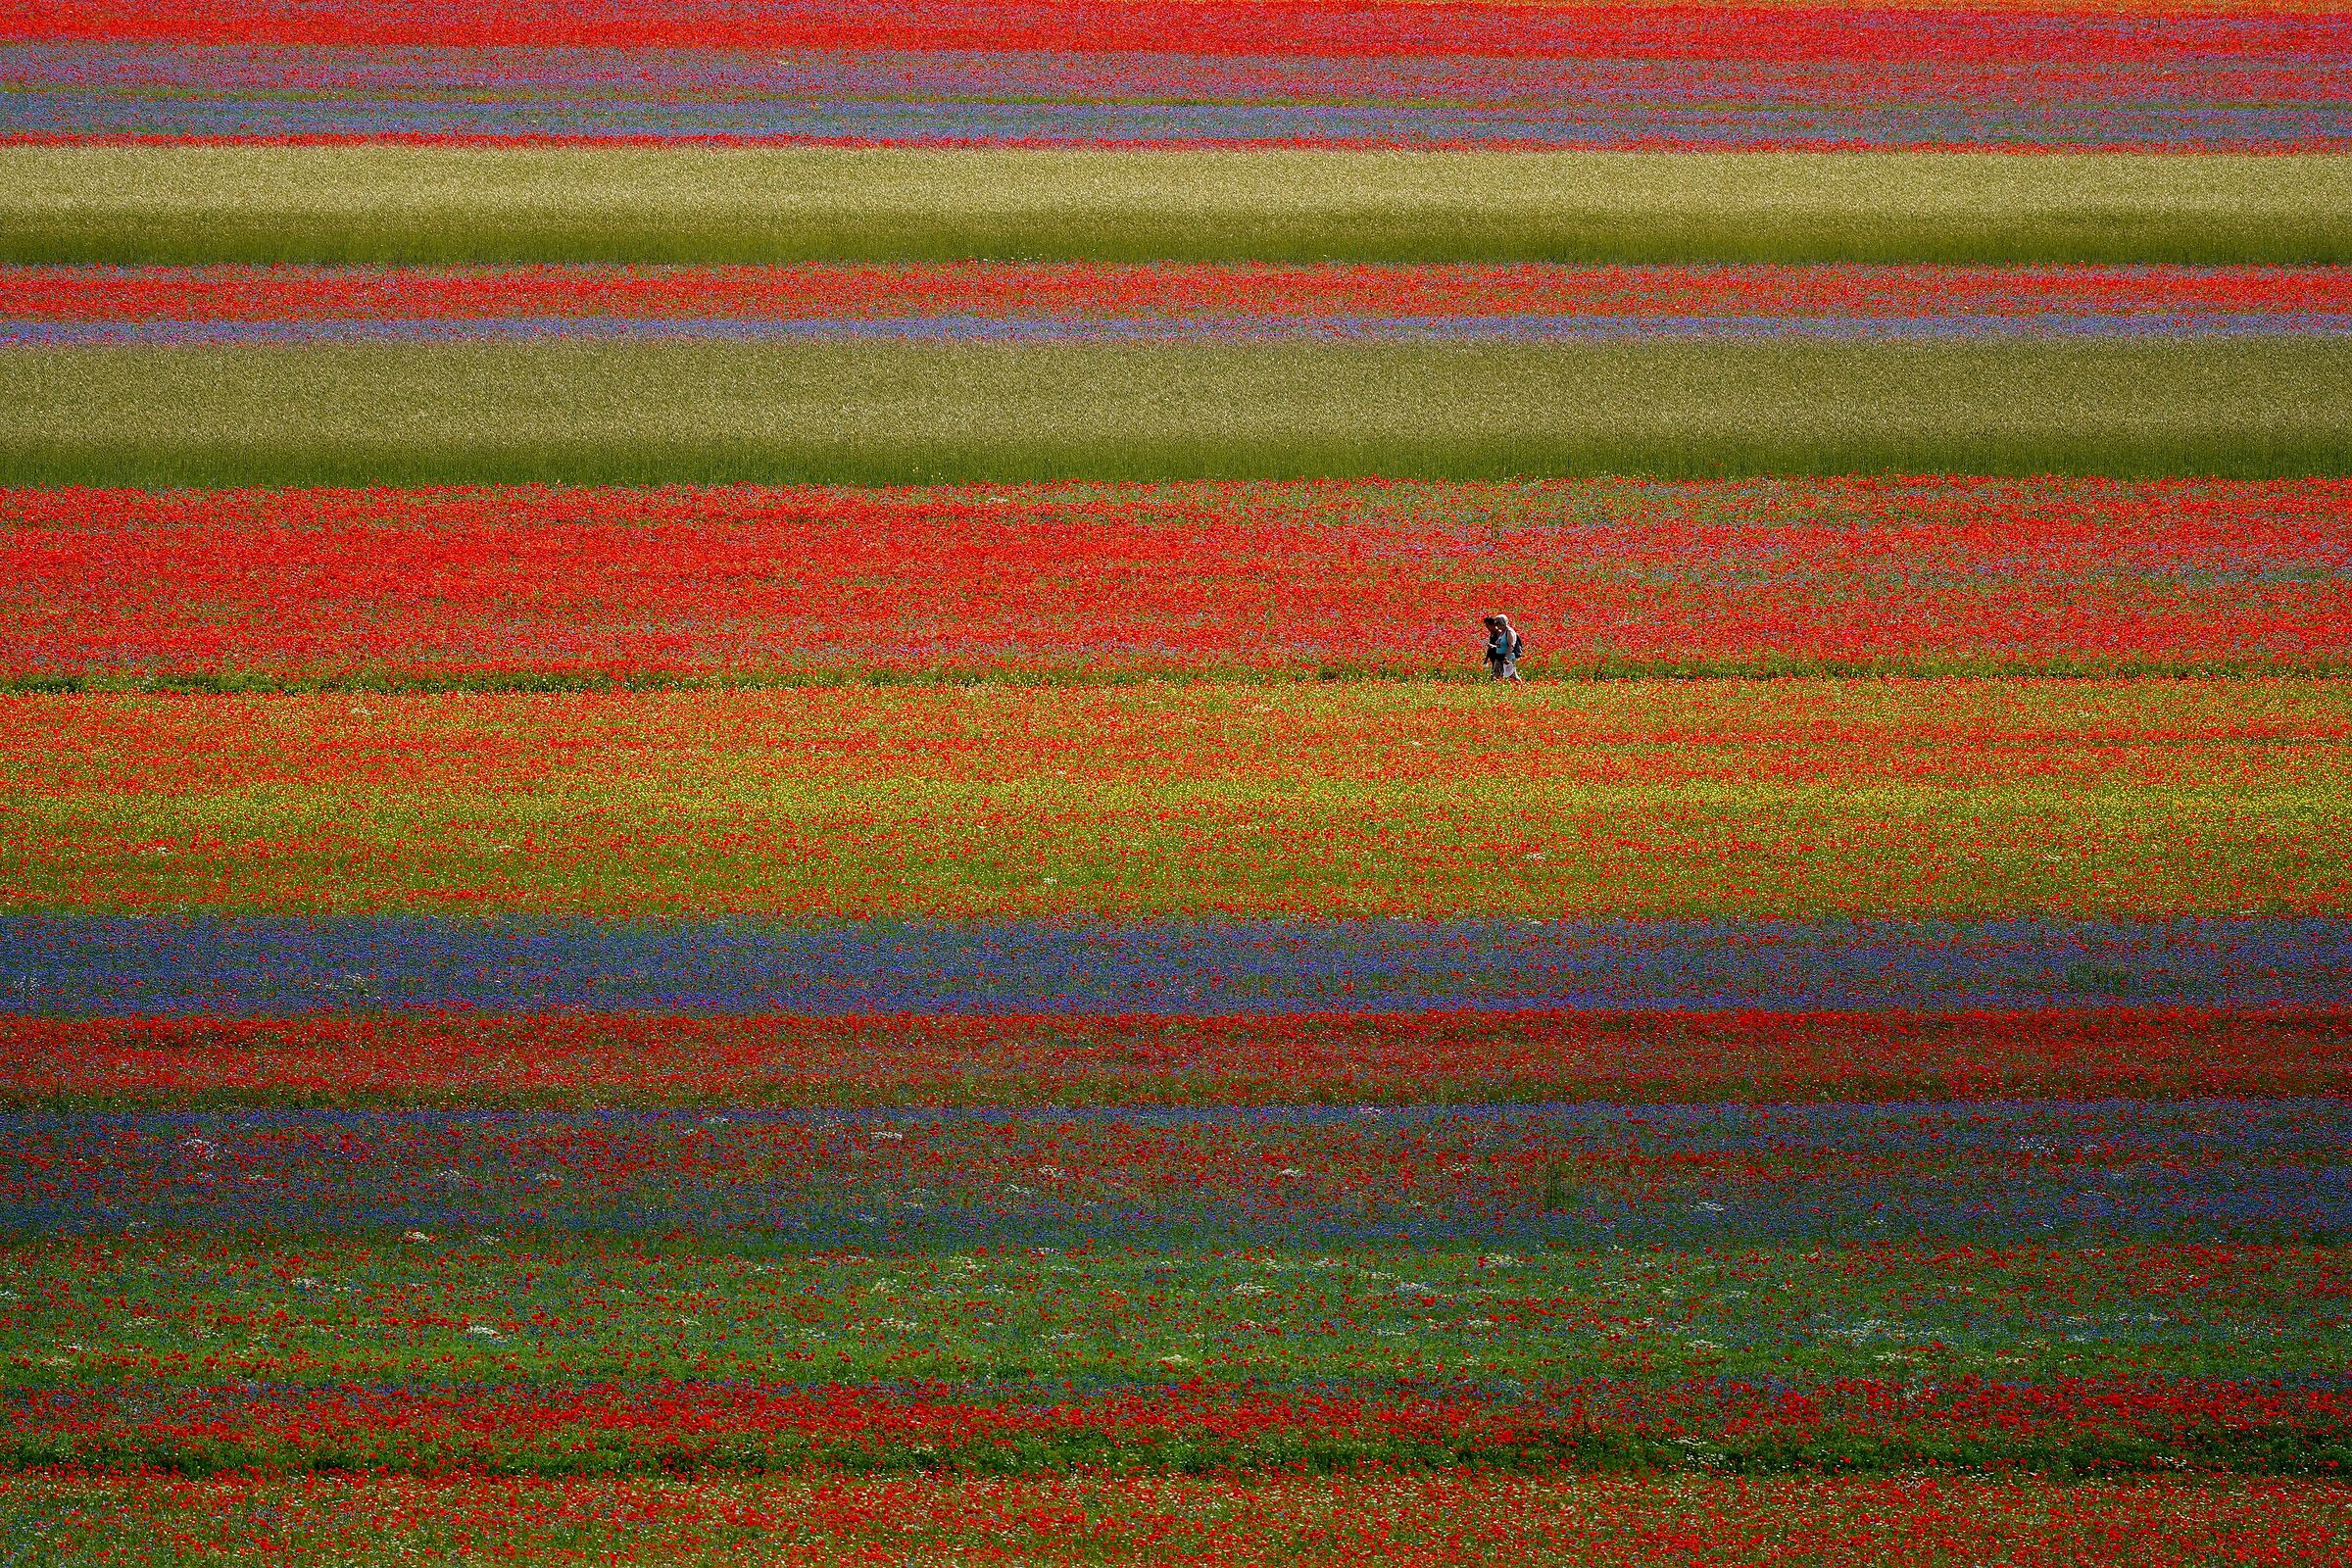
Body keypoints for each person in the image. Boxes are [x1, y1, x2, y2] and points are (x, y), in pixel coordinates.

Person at [1483, 613, 1524, 682]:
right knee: (1496, 675)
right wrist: (1494, 646)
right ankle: (1495, 689)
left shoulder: (1509, 632)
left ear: (1501, 623)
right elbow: (1501, 645)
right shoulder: (1502, 632)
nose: (1495, 625)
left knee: (1512, 675)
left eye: (1496, 623)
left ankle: (1520, 686)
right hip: (1499, 657)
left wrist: (1506, 657)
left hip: (1507, 657)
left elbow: (1511, 645)